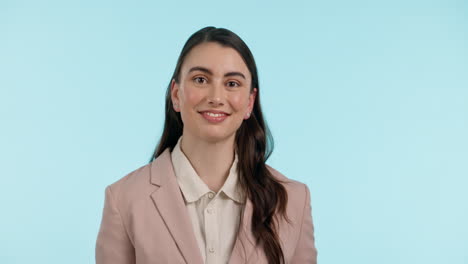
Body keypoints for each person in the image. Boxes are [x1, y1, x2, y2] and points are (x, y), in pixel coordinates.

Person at [95, 26, 317, 264]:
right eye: (200, 79)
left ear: (250, 102)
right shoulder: (124, 199)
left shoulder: (293, 200)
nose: (216, 97)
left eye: (232, 83)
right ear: (176, 94)